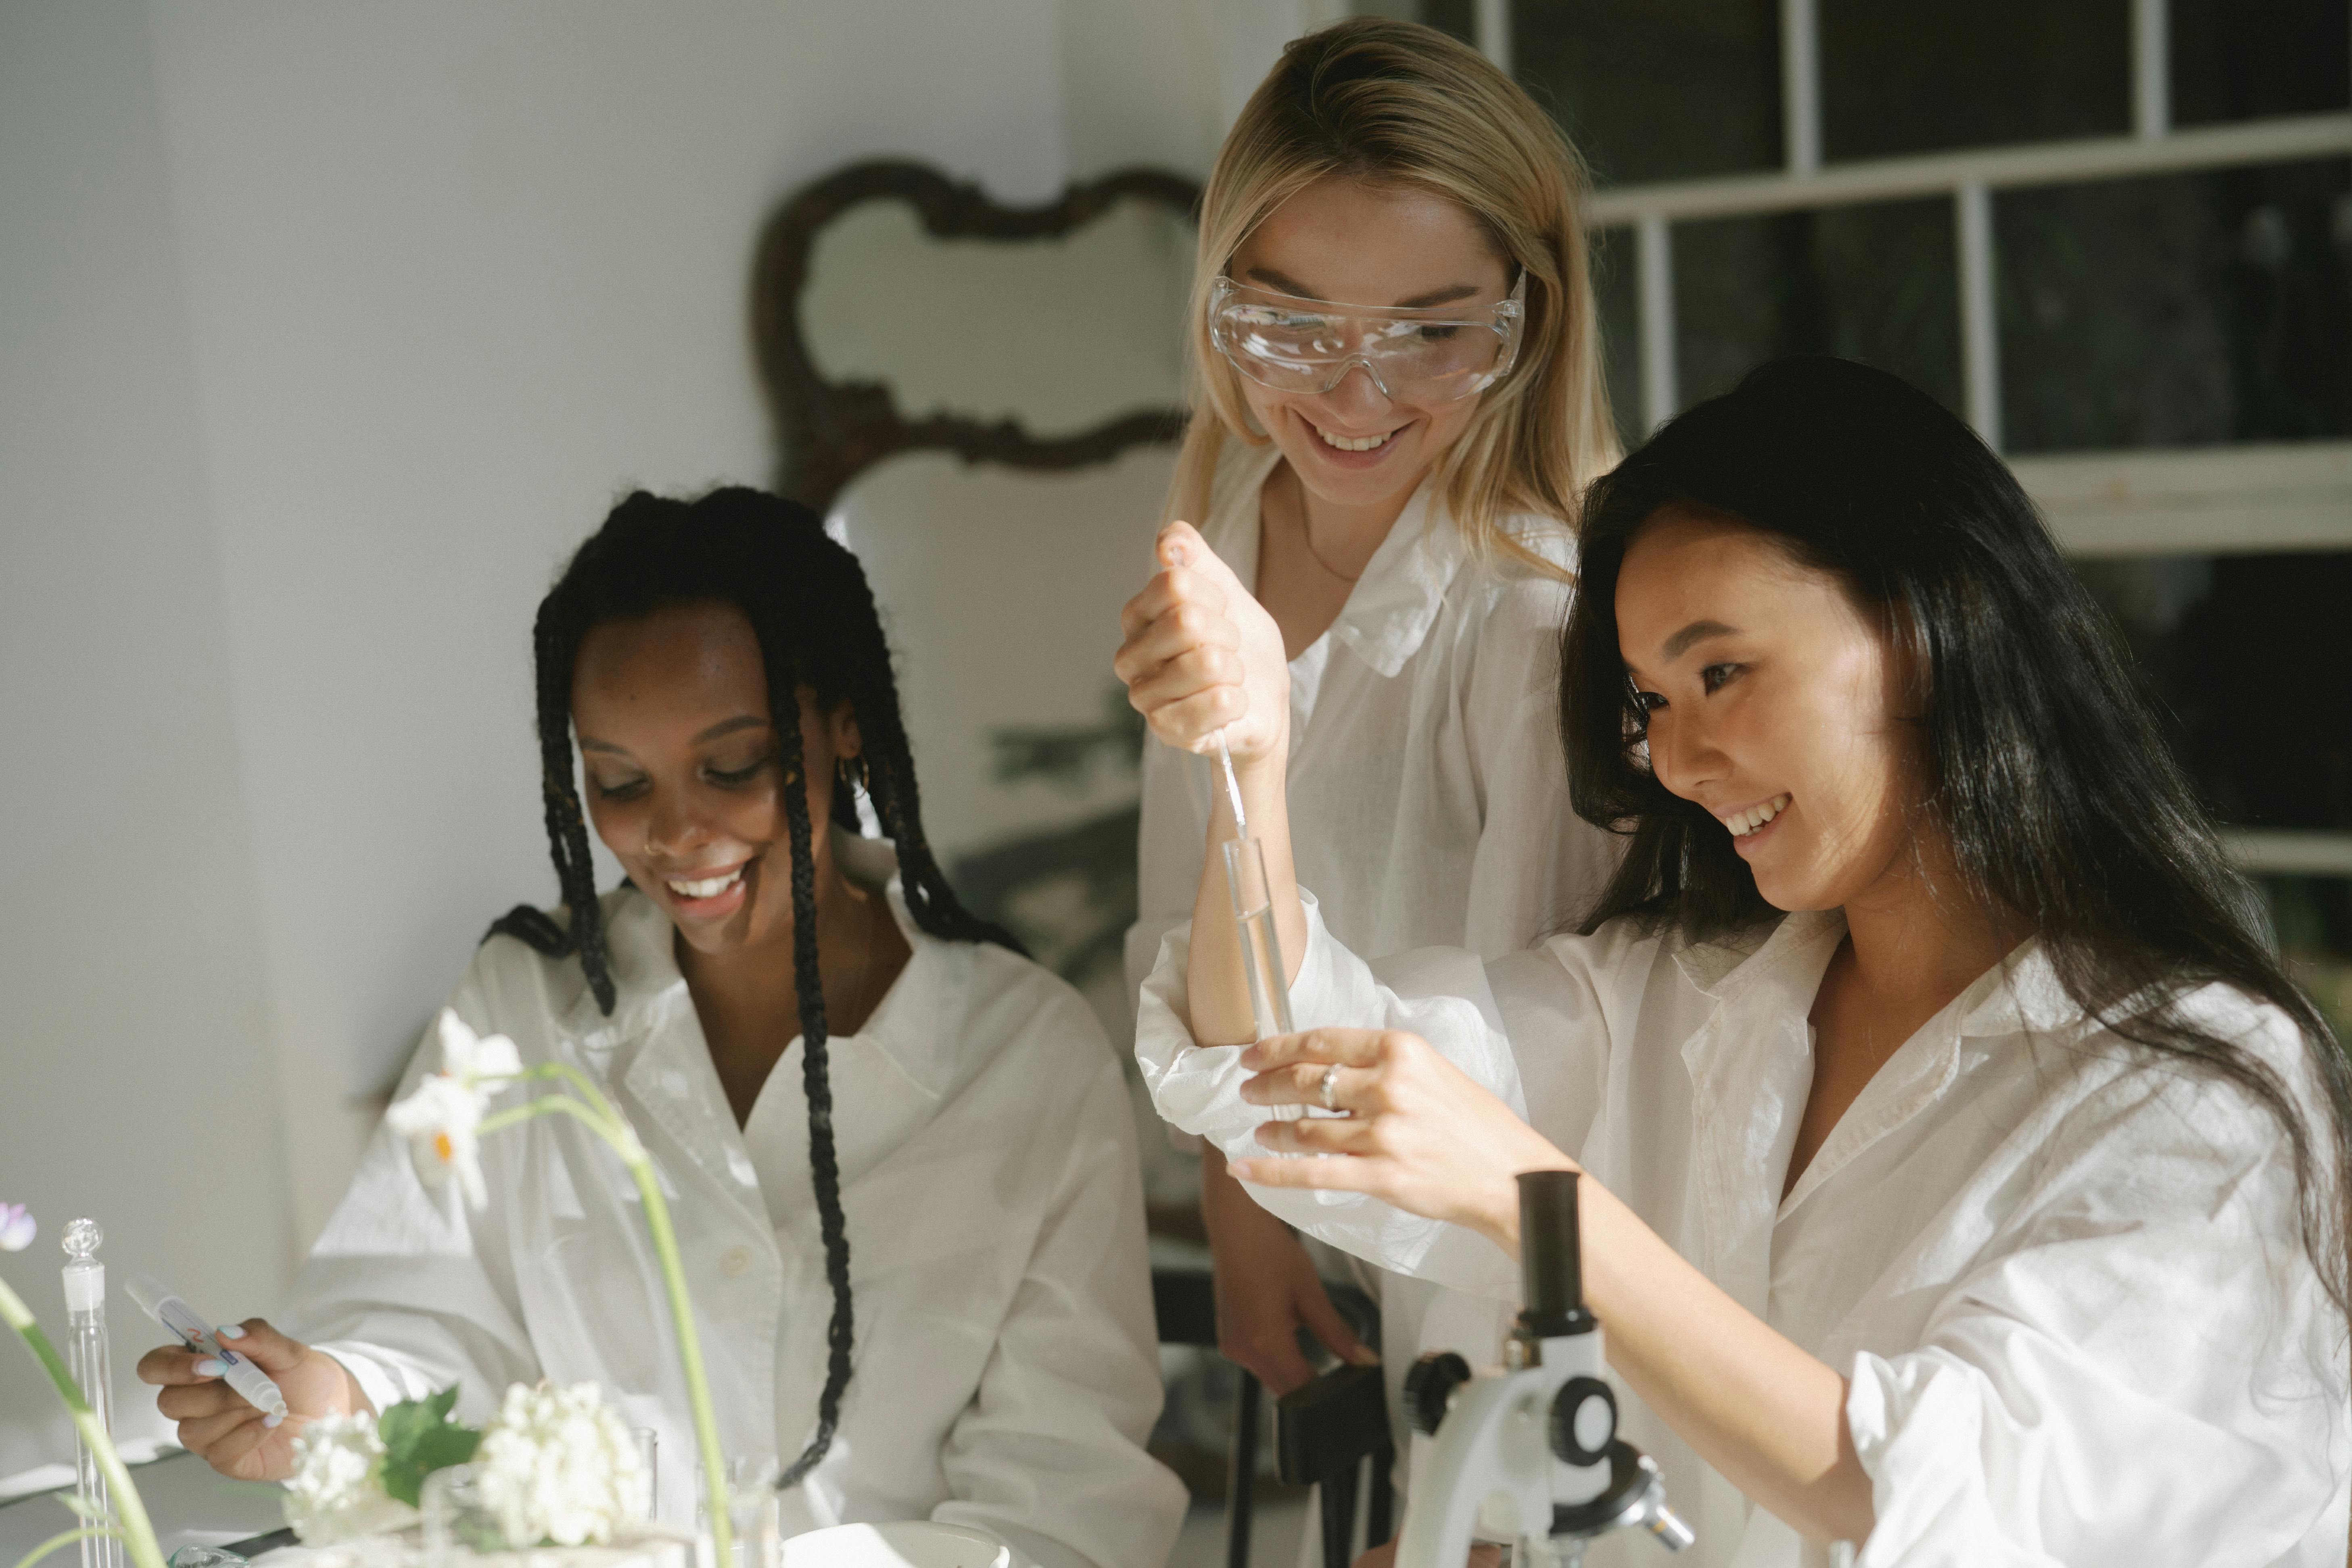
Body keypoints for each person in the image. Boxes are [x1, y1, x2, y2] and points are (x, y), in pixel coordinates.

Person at [1120, 357, 2352, 1565]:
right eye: (1653, 701)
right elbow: (1274, 1066)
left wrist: (1533, 1197)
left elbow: (1928, 1497)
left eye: (1722, 674)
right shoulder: (1677, 997)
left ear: (1931, 627)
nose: (1677, 759)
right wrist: (1249, 768)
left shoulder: (2204, 1095)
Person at [141, 489, 1186, 1568]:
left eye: (732, 767)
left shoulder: (1026, 1062)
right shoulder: (520, 1009)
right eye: (620, 782)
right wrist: (336, 1397)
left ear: (844, 724)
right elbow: (430, 1325)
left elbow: (1061, 1508)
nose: (677, 832)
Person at [1123, 14, 1623, 1444]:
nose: (1354, 397)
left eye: (1432, 333)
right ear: (1220, 299)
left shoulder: (1534, 624)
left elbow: (1554, 1088)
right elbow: (1186, 902)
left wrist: (1487, 1460)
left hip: (1501, 1305)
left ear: (1527, 320)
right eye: (1291, 324)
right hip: (1312, 1221)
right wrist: (1242, 1205)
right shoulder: (1227, 521)